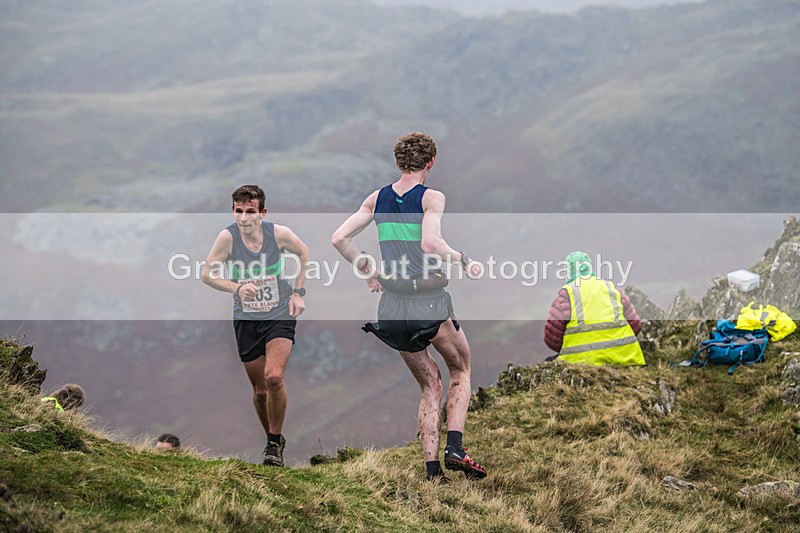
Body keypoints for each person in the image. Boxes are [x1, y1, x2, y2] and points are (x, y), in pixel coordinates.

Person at [331, 131, 487, 482]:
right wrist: (462, 259)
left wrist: (367, 268)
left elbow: (339, 238)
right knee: (460, 369)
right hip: (428, 300)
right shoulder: (431, 197)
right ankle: (456, 448)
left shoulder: (377, 198)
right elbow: (430, 243)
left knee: (429, 384)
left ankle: (433, 471)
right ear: (431, 162)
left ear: (397, 163)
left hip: (391, 308)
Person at [201, 184, 309, 467]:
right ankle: (273, 439)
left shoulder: (278, 234)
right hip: (247, 318)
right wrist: (236, 288)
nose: (245, 218)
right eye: (239, 211)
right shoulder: (227, 238)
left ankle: (273, 443)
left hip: (279, 313)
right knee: (260, 391)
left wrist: (298, 292)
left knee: (274, 377)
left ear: (262, 213)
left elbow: (303, 253)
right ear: (233, 211)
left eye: (251, 212)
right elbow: (207, 274)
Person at [544, 251, 645, 366]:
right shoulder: (611, 289)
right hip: (624, 359)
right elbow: (636, 326)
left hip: (580, 362)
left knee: (549, 362)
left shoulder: (567, 294)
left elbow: (552, 339)